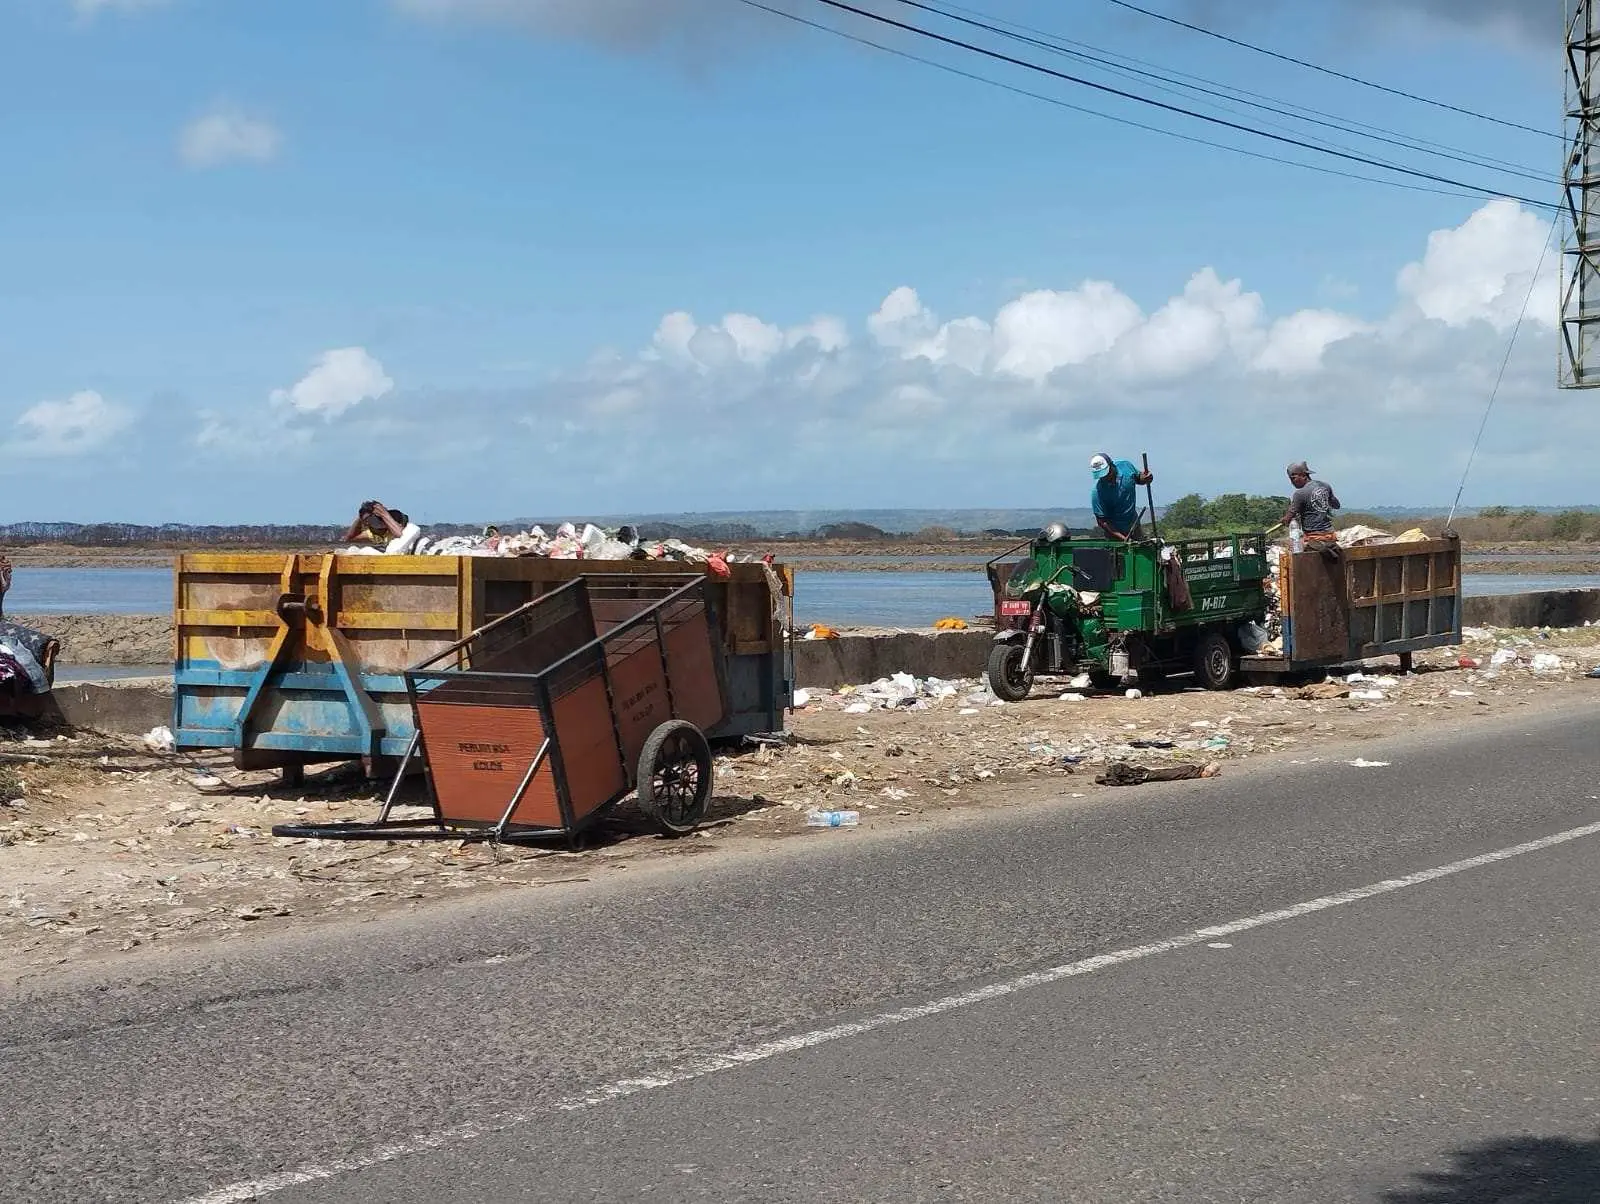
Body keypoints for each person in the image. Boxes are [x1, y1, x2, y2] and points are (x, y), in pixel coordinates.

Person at [1089, 452, 1153, 542]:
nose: (1105, 478)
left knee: (1140, 551)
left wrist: (1146, 478)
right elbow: (1102, 521)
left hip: (1133, 522)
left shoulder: (1126, 466)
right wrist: (1123, 538)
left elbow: (1139, 478)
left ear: (1111, 465)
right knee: (1117, 555)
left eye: (1106, 473)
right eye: (1101, 476)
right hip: (1113, 532)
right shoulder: (1097, 493)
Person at [1281, 462, 1340, 542]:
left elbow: (1288, 517)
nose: (1292, 482)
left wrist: (1284, 520)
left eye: (1293, 478)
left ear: (1304, 476)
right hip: (1330, 534)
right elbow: (1336, 505)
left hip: (1313, 537)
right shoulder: (1325, 486)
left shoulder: (1300, 494)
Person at [342, 500, 423, 555]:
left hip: (419, 549)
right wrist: (360, 518)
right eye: (368, 521)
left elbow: (403, 536)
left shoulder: (395, 517)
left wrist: (384, 514)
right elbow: (349, 538)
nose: (375, 521)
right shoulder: (373, 533)